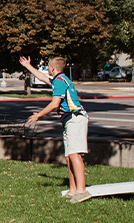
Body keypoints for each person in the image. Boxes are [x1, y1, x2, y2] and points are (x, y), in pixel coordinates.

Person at [20, 55, 91, 202]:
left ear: (52, 68)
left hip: (75, 118)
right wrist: (28, 66)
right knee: (69, 156)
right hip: (69, 120)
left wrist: (38, 115)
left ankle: (82, 190)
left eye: (47, 68)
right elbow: (41, 76)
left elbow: (54, 104)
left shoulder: (59, 82)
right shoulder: (59, 80)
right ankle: (72, 190)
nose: (46, 70)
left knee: (75, 154)